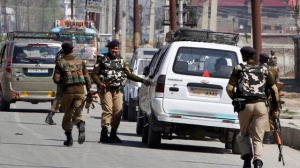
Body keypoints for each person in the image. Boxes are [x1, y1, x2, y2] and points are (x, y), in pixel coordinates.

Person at [226, 46, 279, 168]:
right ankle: (258, 162)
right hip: (261, 106)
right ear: (254, 56)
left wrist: (235, 98)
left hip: (244, 106)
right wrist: (275, 107)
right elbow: (274, 90)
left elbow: (229, 88)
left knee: (243, 134)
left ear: (242, 56)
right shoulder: (266, 69)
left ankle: (246, 160)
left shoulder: (238, 69)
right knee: (258, 137)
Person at [91, 40, 150, 143]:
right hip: (106, 90)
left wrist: (142, 80)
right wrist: (100, 84)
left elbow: (128, 74)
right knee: (108, 110)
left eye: (117, 48)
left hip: (117, 90)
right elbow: (94, 74)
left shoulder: (121, 60)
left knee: (118, 112)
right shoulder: (102, 59)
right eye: (113, 48)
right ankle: (104, 134)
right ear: (109, 49)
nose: (115, 50)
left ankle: (113, 133)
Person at [53, 42, 92, 146]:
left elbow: (56, 79)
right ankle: (80, 124)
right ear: (72, 50)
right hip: (80, 92)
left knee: (68, 115)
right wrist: (89, 91)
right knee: (78, 113)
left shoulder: (60, 63)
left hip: (67, 93)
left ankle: (69, 139)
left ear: (62, 50)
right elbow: (87, 78)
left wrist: (64, 79)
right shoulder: (80, 62)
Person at [45, 48, 65, 125]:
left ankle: (50, 116)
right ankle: (50, 116)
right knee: (60, 98)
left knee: (60, 98)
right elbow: (58, 63)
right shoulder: (60, 55)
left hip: (66, 79)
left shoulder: (66, 55)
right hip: (63, 80)